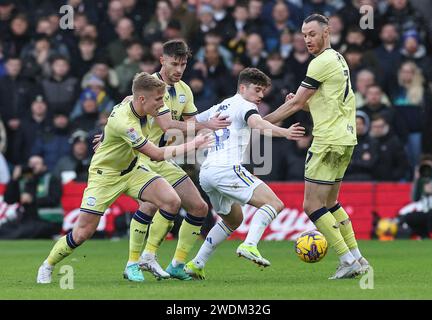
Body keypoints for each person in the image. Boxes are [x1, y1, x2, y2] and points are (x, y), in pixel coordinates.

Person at [36, 72, 212, 284]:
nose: (161, 103)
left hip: (133, 169)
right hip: (105, 176)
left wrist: (107, 135)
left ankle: (139, 261)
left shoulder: (142, 103)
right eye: (158, 100)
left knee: (171, 201)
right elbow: (155, 154)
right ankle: (47, 265)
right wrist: (193, 144)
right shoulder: (125, 123)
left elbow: (145, 114)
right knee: (83, 232)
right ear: (142, 99)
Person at [262, 14, 369, 279]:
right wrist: (303, 101)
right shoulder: (338, 59)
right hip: (345, 139)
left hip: (326, 140)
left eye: (311, 33)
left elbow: (295, 105)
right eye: (304, 34)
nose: (306, 39)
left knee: (311, 205)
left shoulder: (319, 63)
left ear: (327, 32)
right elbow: (330, 101)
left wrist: (259, 122)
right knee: (331, 202)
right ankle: (357, 257)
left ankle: (346, 259)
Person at [184, 67, 305, 279]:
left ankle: (196, 263)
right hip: (227, 169)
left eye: (262, 92)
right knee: (275, 204)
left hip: (207, 174)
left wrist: (288, 106)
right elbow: (258, 123)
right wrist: (285, 132)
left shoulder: (219, 107)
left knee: (233, 220)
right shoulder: (246, 105)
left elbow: (190, 123)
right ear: (242, 87)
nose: (260, 96)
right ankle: (249, 244)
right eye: (257, 90)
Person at [126, 40, 231, 281]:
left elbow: (191, 126)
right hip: (142, 157)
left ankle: (176, 264)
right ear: (162, 60)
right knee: (152, 205)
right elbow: (165, 124)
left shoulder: (184, 90)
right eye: (174, 63)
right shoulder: (150, 86)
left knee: (199, 208)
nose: (179, 69)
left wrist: (215, 134)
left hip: (165, 158)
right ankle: (136, 261)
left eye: (183, 64)